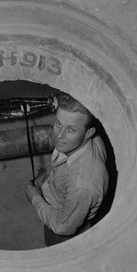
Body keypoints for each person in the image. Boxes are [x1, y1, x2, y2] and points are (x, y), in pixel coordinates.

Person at [25, 92, 109, 246]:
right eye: (58, 124)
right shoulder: (80, 142)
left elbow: (63, 228)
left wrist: (35, 198)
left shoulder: (83, 185)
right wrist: (47, 178)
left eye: (71, 130)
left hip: (65, 233)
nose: (59, 135)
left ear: (89, 132)